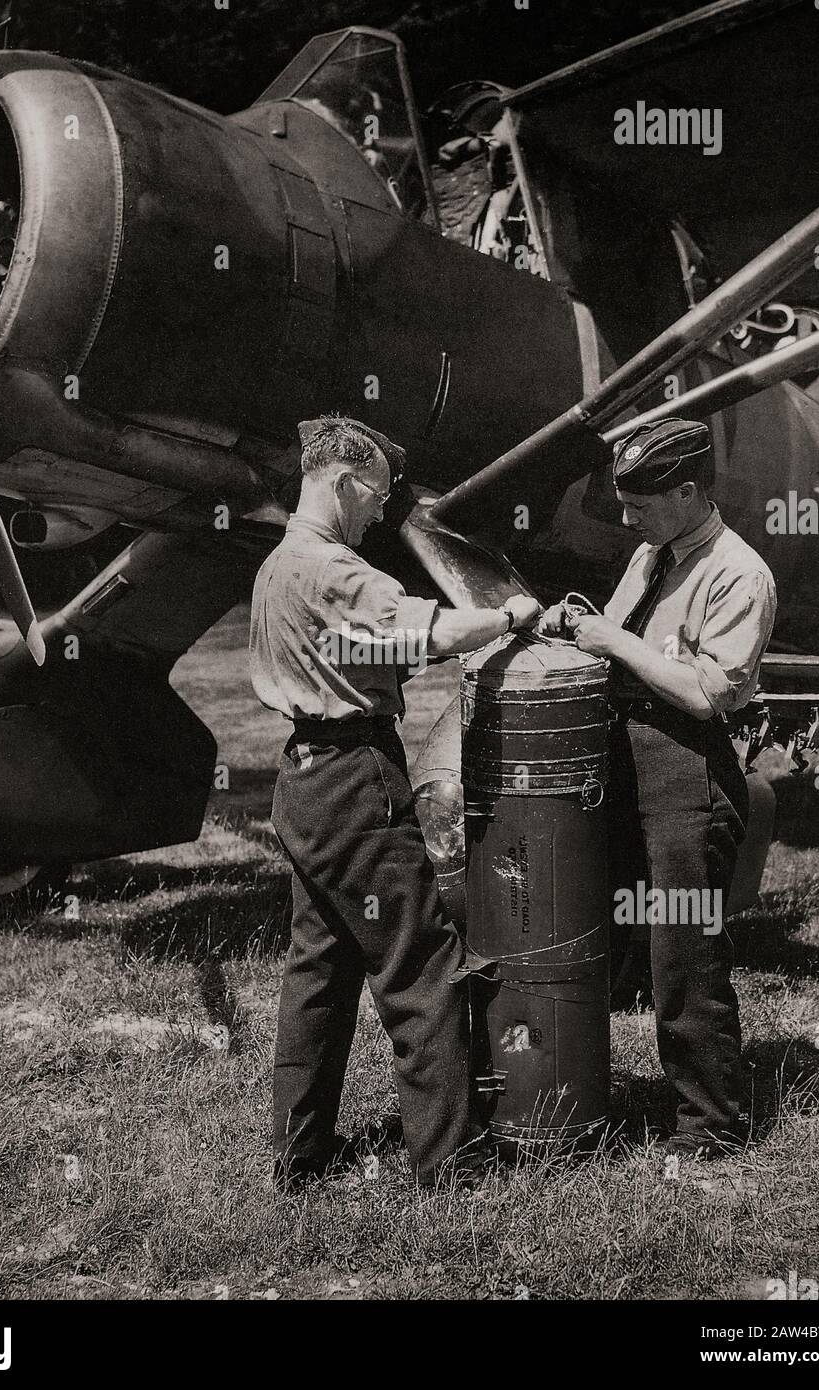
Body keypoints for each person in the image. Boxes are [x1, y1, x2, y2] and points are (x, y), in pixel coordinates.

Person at [250, 414, 541, 1190]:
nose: (382, 510)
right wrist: (511, 615)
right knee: (422, 963)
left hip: (301, 778)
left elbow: (360, 649)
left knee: (318, 971)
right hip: (354, 777)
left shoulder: (278, 565)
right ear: (344, 482)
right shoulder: (339, 571)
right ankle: (450, 1166)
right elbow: (436, 632)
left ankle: (297, 1157)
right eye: (376, 495)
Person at [541, 417, 777, 1159]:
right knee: (597, 930)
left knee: (683, 955)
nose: (625, 517)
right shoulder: (651, 553)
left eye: (639, 502)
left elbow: (707, 694)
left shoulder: (739, 574)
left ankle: (712, 1127)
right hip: (624, 758)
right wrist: (574, 627)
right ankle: (574, 1093)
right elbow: (615, 633)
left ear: (686, 491)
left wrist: (616, 643)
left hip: (687, 769)